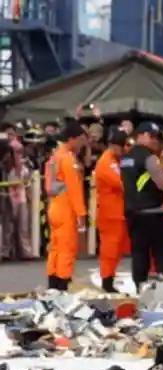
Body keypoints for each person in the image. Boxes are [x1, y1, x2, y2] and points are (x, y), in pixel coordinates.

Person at [119, 122, 163, 289]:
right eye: (152, 136)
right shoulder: (149, 157)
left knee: (139, 252)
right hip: (153, 212)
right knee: (162, 251)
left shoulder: (126, 158)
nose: (155, 141)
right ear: (141, 135)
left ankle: (139, 286)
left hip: (133, 212)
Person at [43, 121, 88, 290]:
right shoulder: (68, 159)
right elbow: (75, 189)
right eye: (81, 139)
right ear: (71, 139)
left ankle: (52, 286)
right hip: (66, 208)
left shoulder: (54, 157)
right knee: (67, 250)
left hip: (54, 206)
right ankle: (62, 287)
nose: (82, 143)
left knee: (55, 248)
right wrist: (81, 215)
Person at [93, 128, 129, 293]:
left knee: (118, 249)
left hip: (119, 212)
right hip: (110, 214)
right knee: (110, 249)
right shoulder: (106, 162)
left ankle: (109, 278)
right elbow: (122, 182)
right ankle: (107, 280)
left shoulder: (116, 159)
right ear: (116, 146)